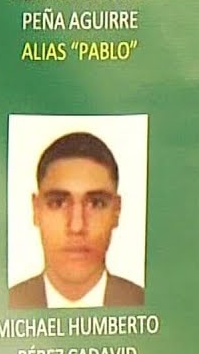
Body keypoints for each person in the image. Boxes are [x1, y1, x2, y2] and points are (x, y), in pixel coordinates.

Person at [10, 132, 144, 308]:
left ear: (116, 211)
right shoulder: (2, 306)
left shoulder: (149, 306)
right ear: (36, 210)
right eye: (58, 203)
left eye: (96, 203)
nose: (77, 226)